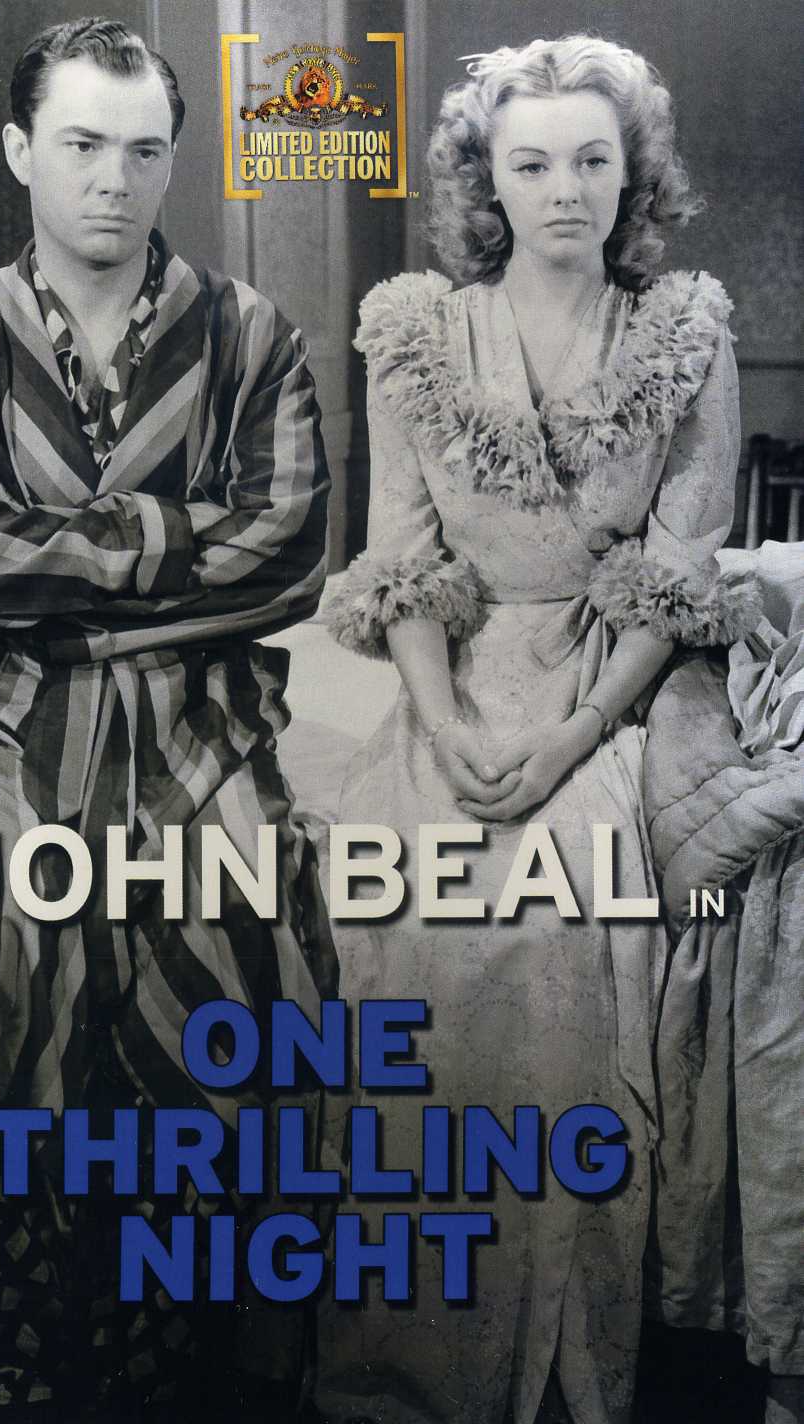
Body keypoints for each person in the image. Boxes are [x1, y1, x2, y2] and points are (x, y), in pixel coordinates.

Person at [0, 17, 336, 1422]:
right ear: (22, 151)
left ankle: (161, 1348)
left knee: (240, 937)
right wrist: (166, 542)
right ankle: (10, 1339)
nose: (113, 181)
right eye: (81, 145)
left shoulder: (251, 334)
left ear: (174, 160)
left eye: (144, 151)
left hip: (196, 706)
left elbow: (292, 552)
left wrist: (56, 563)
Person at [320, 34, 757, 1424]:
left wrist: (574, 738)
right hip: (452, 679)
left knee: (568, 922)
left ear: (633, 178)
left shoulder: (687, 330)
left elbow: (680, 568)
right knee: (413, 920)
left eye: (591, 159)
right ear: (487, 182)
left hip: (620, 680)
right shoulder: (415, 333)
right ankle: (416, 1366)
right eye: (531, 163)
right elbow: (400, 556)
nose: (564, 188)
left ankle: (568, 1367)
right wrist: (444, 725)